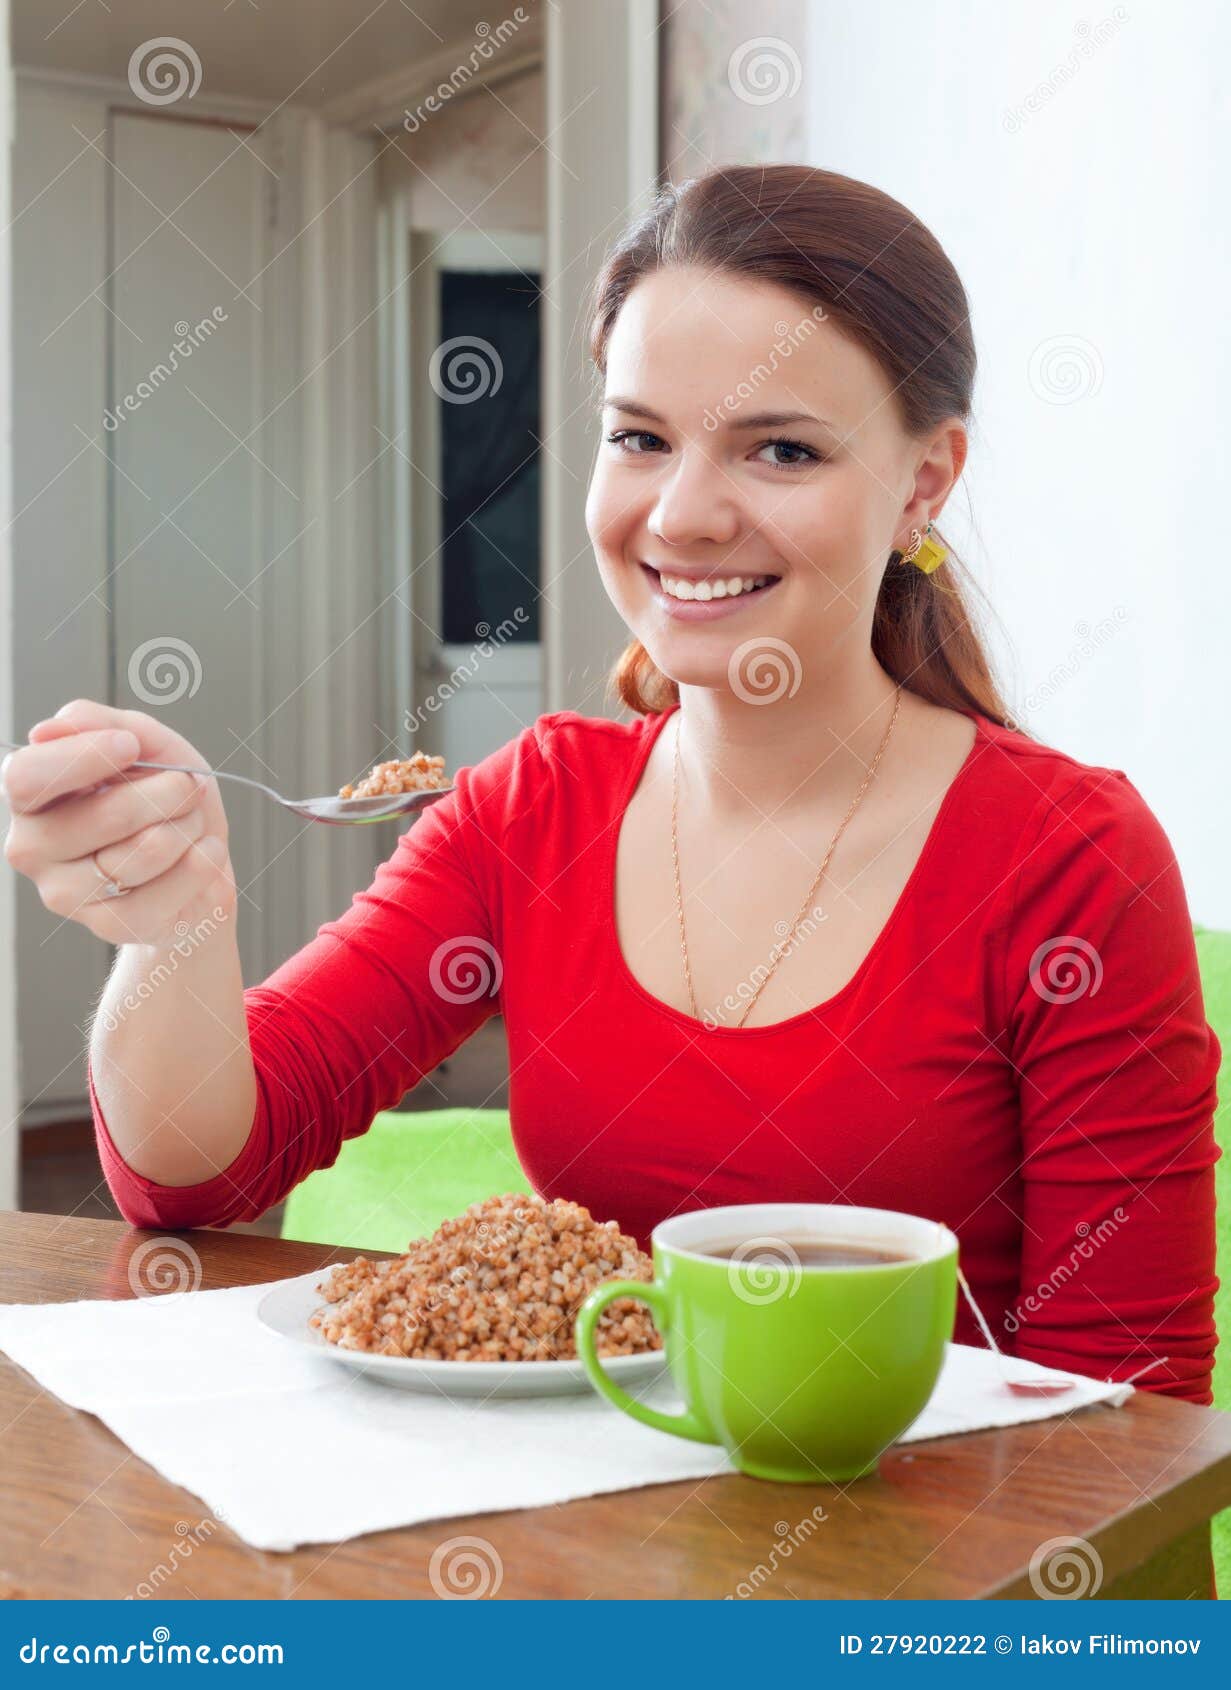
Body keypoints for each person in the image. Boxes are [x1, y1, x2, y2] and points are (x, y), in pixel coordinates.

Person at [2, 164, 1220, 1412]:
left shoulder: (1069, 857)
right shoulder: (531, 811)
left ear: (922, 483)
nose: (681, 515)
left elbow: (1132, 1408)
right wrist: (173, 922)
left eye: (782, 449)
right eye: (640, 438)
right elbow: (198, 1174)